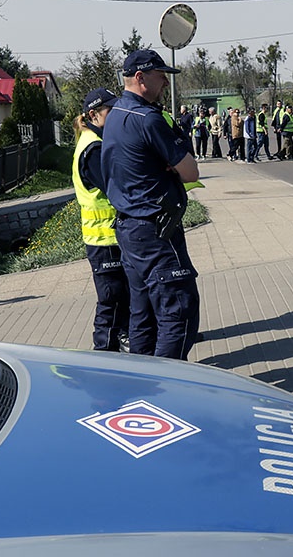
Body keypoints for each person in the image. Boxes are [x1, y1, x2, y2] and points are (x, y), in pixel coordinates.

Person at [99, 49, 201, 361]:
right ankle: (166, 389)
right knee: (178, 311)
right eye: (161, 77)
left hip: (129, 229)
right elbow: (191, 171)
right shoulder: (148, 118)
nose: (165, 85)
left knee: (142, 316)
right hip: (155, 229)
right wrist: (175, 157)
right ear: (141, 78)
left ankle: (140, 383)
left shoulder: (115, 115)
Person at [72, 88, 129, 352]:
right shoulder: (92, 148)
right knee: (111, 298)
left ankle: (121, 345)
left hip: (110, 237)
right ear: (93, 115)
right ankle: (103, 352)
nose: (115, 115)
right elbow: (114, 187)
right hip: (104, 239)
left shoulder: (96, 142)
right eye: (110, 111)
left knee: (121, 296)